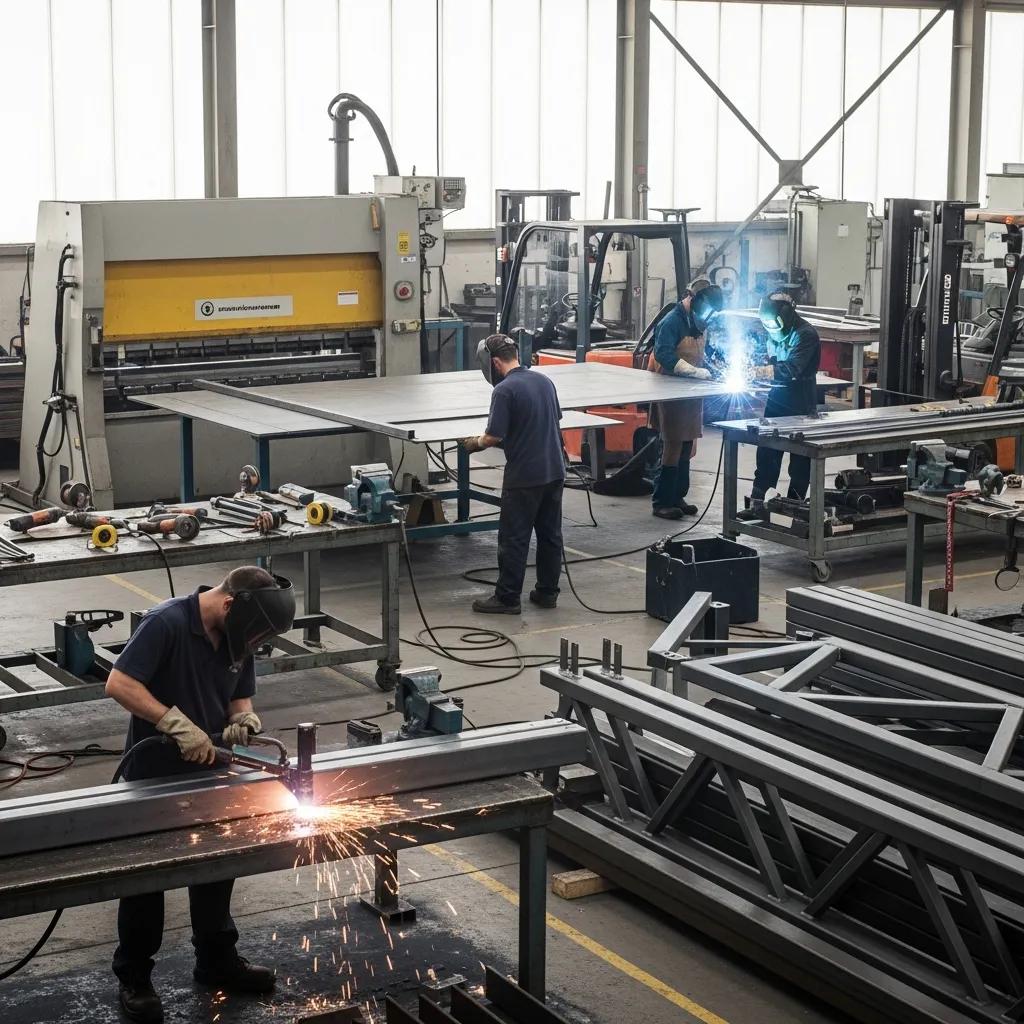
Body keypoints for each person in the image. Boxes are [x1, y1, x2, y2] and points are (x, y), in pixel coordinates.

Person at [104, 566, 295, 1023]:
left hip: (213, 773)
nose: (250, 645)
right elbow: (119, 683)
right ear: (229, 604)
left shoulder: (238, 632)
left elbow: (239, 694)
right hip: (153, 773)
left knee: (215, 868)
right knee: (147, 880)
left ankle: (216, 961)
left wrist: (245, 719)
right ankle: (135, 976)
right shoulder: (167, 622)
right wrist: (173, 722)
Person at [461, 334, 565, 614]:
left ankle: (507, 598)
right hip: (554, 470)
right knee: (549, 535)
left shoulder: (504, 390)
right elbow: (549, 421)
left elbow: (493, 436)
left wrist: (473, 443)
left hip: (525, 476)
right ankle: (547, 593)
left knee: (514, 537)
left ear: (494, 363)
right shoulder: (544, 381)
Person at [647, 279, 725, 520]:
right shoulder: (672, 321)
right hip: (670, 390)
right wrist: (693, 371)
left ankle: (678, 496)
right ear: (692, 299)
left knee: (687, 444)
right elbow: (662, 353)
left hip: (691, 391)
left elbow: (704, 350)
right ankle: (662, 501)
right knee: (672, 444)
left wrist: (717, 365)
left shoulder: (698, 319)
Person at [743, 291, 821, 511]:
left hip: (801, 403)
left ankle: (793, 508)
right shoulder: (771, 330)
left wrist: (762, 371)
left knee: (800, 461)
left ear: (786, 316)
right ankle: (757, 504)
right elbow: (768, 358)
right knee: (767, 453)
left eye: (773, 323)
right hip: (776, 400)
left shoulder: (806, 335)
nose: (771, 328)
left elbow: (793, 368)